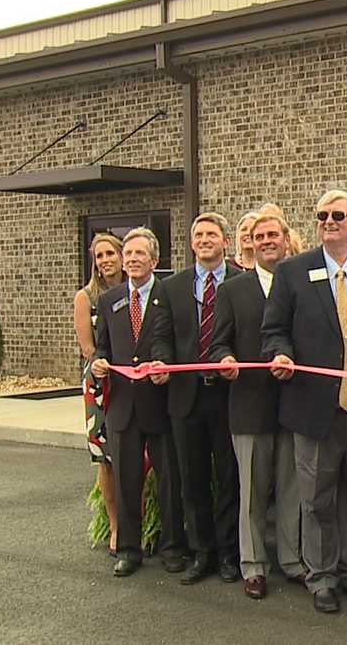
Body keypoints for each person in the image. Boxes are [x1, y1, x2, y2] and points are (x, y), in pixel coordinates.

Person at [261, 190, 347, 614]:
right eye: (322, 216)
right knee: (317, 498)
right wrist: (280, 354)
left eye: (338, 215)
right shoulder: (293, 272)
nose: (329, 222)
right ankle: (322, 577)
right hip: (315, 408)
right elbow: (274, 330)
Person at [209, 212, 305, 599]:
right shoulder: (233, 290)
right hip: (249, 406)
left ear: (286, 238)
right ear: (249, 242)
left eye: (272, 234)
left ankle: (293, 560)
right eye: (258, 236)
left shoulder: (301, 283)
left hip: (294, 403)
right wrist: (225, 360)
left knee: (292, 490)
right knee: (251, 492)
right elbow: (218, 343)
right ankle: (253, 566)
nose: (266, 241)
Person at [151, 213, 242, 585]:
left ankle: (229, 554)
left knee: (230, 478)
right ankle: (202, 551)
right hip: (185, 397)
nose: (205, 240)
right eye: (199, 235)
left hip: (228, 395)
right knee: (193, 480)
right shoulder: (171, 287)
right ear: (191, 243)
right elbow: (162, 337)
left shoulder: (242, 282)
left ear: (225, 241)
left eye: (211, 234)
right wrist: (161, 361)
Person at [90, 227, 187, 578]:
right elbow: (102, 347)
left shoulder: (169, 295)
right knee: (126, 482)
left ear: (154, 260)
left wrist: (165, 366)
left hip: (159, 403)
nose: (132, 259)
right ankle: (129, 550)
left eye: (139, 254)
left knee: (169, 481)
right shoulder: (110, 300)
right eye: (128, 254)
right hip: (123, 407)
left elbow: (174, 342)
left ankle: (173, 548)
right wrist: (98, 363)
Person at [72, 233, 125, 554]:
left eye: (110, 254)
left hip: (132, 382)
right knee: (106, 458)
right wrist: (107, 367)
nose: (105, 260)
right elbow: (88, 348)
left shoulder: (135, 289)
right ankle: (115, 526)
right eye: (99, 256)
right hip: (101, 382)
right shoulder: (87, 297)